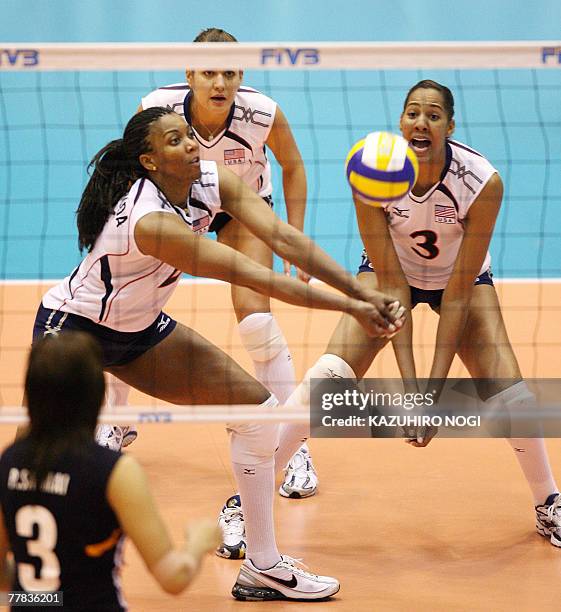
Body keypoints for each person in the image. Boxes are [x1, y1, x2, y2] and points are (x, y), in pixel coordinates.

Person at [28, 107, 404, 600]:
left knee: (258, 414)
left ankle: (263, 566)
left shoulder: (210, 180)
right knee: (45, 461)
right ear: (150, 161)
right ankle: (34, 576)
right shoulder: (152, 222)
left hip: (138, 332)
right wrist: (353, 303)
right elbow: (256, 275)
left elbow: (283, 238)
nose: (191, 145)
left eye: (187, 136)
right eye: (175, 141)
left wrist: (364, 292)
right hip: (74, 331)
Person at [288, 79, 561, 546]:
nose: (421, 122)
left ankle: (549, 501)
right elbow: (392, 287)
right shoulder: (371, 171)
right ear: (400, 122)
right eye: (413, 112)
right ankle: (256, 486)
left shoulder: (480, 182)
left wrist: (433, 397)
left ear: (449, 127)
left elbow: (456, 297)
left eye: (433, 115)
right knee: (330, 374)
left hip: (461, 279)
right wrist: (411, 394)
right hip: (392, 274)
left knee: (510, 390)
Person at [137, 27, 319, 507]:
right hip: (175, 206)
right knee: (128, 308)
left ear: (242, 74)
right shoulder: (157, 108)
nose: (219, 83)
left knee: (255, 314)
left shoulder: (263, 113)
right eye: (209, 72)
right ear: (189, 74)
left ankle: (292, 444)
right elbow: (133, 166)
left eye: (230, 72)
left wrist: (292, 236)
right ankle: (114, 425)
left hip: (242, 207)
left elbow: (294, 166)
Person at [0, 332, 222, 610]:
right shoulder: (113, 471)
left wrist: (45, 597)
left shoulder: (9, 462)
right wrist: (198, 543)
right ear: (95, 395)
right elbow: (173, 577)